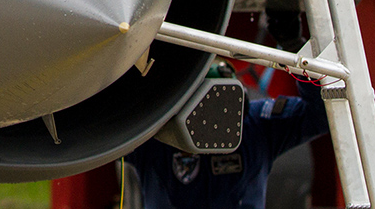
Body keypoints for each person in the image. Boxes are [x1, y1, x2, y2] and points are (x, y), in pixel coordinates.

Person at [128, 74, 329, 209]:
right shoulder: (154, 130)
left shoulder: (257, 124)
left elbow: (323, 116)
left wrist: (302, 63)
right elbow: (101, 124)